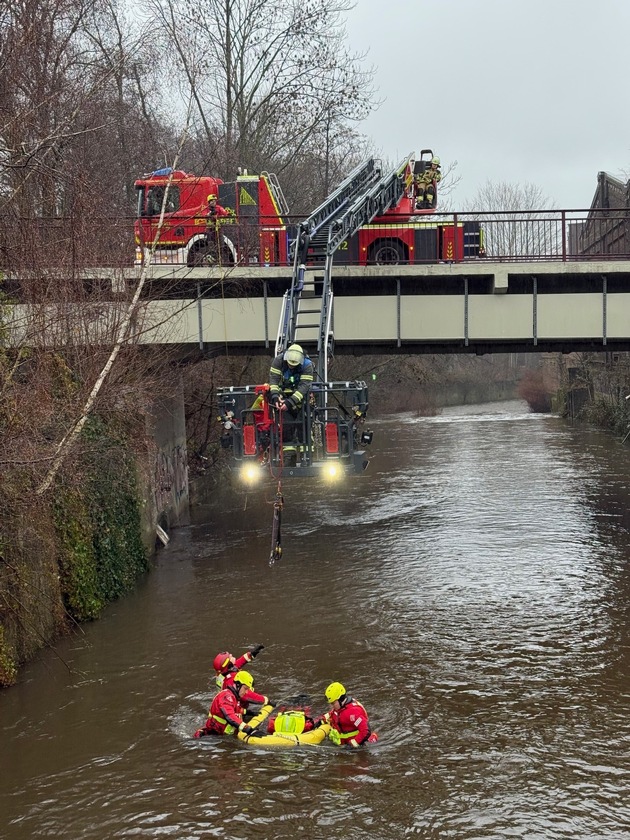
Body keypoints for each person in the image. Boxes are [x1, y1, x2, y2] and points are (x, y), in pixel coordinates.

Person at [194, 671, 272, 739]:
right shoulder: (226, 696)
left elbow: (236, 709)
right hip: (210, 736)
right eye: (245, 688)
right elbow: (230, 716)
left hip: (220, 735)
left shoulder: (233, 697)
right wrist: (248, 730)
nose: (246, 692)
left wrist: (249, 712)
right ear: (238, 685)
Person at [268, 344, 314, 453]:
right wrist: (275, 396)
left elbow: (304, 386)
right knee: (286, 425)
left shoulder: (307, 365)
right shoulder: (278, 361)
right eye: (289, 364)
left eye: (294, 365)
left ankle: (306, 452)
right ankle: (289, 452)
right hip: (283, 398)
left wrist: (290, 402)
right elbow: (273, 381)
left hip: (302, 400)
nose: (291, 366)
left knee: (304, 423)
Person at [313, 681, 377, 747]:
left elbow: (365, 730)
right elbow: (332, 714)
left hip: (358, 745)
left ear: (341, 699)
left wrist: (352, 745)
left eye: (333, 703)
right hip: (343, 743)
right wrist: (321, 721)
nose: (331, 706)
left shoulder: (353, 713)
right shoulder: (339, 708)